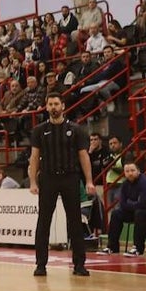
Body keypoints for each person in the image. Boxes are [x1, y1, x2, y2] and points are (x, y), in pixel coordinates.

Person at [28, 93, 95, 277]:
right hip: (48, 178)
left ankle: (79, 264)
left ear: (63, 106)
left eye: (56, 104)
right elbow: (34, 158)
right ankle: (41, 264)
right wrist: (33, 181)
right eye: (50, 104)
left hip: (70, 178)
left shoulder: (76, 129)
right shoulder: (39, 130)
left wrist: (89, 181)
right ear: (46, 106)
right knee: (44, 222)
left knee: (75, 221)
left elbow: (84, 156)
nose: (53, 107)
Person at [103, 162, 146, 256]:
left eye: (132, 170)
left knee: (140, 213)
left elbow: (144, 204)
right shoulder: (125, 184)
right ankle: (112, 247)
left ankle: (138, 248)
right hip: (139, 211)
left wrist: (130, 204)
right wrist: (134, 204)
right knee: (116, 213)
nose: (130, 173)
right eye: (127, 171)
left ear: (138, 171)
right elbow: (122, 204)